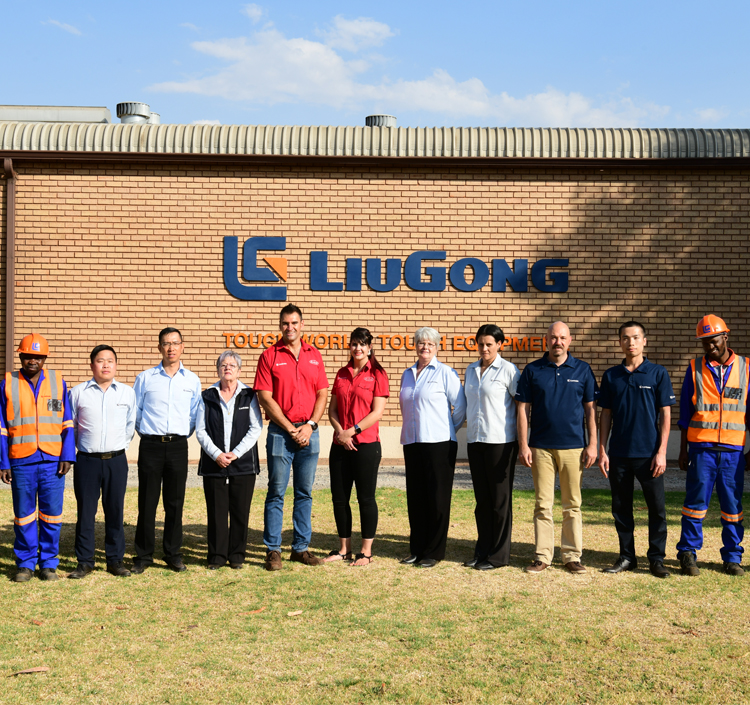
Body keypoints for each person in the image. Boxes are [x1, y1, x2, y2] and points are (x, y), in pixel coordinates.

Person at [516, 321, 598, 574]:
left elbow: (591, 410)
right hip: (540, 447)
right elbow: (522, 410)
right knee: (543, 504)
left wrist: (593, 443)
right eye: (553, 337)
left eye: (562, 338)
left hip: (573, 447)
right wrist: (523, 444)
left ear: (569, 340)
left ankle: (572, 556)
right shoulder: (533, 370)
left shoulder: (583, 369)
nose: (558, 342)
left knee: (572, 504)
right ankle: (543, 556)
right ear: (546, 340)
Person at [598, 322, 676, 579]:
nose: (630, 342)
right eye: (625, 338)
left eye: (635, 337)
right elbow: (605, 414)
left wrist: (662, 452)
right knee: (621, 508)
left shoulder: (658, 373)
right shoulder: (611, 375)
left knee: (657, 509)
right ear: (620, 342)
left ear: (644, 341)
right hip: (619, 454)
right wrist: (602, 449)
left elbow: (666, 414)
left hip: (649, 455)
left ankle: (656, 559)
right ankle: (627, 557)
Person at [254, 304, 329, 571]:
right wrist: (290, 428)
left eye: (294, 323)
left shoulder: (314, 355)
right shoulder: (269, 355)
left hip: (309, 434)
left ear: (302, 324)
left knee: (304, 493)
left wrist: (310, 425)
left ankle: (300, 549)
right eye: (285, 323)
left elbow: (322, 393)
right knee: (276, 492)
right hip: (280, 433)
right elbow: (264, 396)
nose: (290, 327)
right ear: (280, 325)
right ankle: (273, 550)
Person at [676, 315, 749, 577]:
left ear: (725, 337)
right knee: (694, 504)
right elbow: (685, 414)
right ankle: (688, 553)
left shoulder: (746, 368)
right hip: (701, 450)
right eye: (704, 342)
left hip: (733, 452)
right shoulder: (694, 368)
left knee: (732, 507)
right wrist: (683, 450)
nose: (710, 346)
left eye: (714, 340)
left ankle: (732, 557)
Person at [0, 334, 75, 582]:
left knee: (51, 515)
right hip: (21, 460)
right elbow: (1, 427)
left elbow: (66, 422)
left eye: (38, 357)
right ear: (20, 356)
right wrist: (3, 462)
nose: (33, 361)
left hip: (52, 460)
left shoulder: (57, 382)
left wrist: (67, 455)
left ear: (45, 358)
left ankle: (48, 563)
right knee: (24, 515)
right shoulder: (7, 383)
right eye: (28, 356)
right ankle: (25, 563)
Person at [132, 327, 202, 574]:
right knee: (147, 501)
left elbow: (194, 414)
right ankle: (143, 555)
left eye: (175, 343)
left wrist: (180, 434)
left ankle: (173, 553)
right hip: (150, 445)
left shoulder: (192, 380)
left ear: (182, 347)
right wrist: (148, 434)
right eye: (166, 343)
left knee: (175, 502)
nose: (171, 348)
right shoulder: (145, 378)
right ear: (159, 347)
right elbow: (136, 412)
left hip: (178, 446)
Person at [399, 327, 466, 569]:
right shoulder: (407, 374)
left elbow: (460, 407)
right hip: (412, 442)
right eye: (421, 343)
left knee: (437, 499)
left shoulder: (445, 373)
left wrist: (446, 429)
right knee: (416, 498)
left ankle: (433, 551)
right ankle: (417, 549)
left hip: (439, 444)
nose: (425, 347)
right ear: (415, 345)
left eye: (430, 344)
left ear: (437, 347)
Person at [68, 345, 137, 579]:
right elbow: (71, 427)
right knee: (86, 512)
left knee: (115, 511)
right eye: (100, 360)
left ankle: (115, 560)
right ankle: (85, 561)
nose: (106, 365)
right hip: (87, 460)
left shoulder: (127, 393)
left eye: (110, 360)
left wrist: (119, 447)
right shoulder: (78, 393)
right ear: (92, 365)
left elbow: (130, 425)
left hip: (116, 460)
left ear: (116, 365)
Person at [324, 328, 389, 567]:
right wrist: (341, 433)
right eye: (354, 344)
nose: (357, 348)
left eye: (362, 344)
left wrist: (352, 431)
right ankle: (344, 550)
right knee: (339, 499)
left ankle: (366, 552)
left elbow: (377, 412)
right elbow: (332, 410)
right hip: (340, 445)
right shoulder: (341, 374)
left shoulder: (378, 374)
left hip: (366, 445)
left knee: (365, 498)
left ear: (369, 347)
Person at [196, 350, 262, 570]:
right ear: (218, 370)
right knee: (216, 511)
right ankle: (216, 555)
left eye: (232, 365)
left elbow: (255, 428)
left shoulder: (249, 395)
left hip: (243, 464)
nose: (227, 368)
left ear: (239, 370)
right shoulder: (207, 395)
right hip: (213, 464)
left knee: (240, 511)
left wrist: (236, 453)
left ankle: (237, 555)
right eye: (223, 365)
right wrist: (216, 454)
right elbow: (200, 430)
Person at [463, 324, 520, 571]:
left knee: (499, 501)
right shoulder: (471, 370)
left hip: (501, 442)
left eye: (489, 344)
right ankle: (482, 551)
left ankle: (498, 556)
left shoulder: (509, 370)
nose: (484, 348)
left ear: (499, 345)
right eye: (481, 344)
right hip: (475, 441)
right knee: (482, 501)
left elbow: (521, 406)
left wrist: (523, 441)